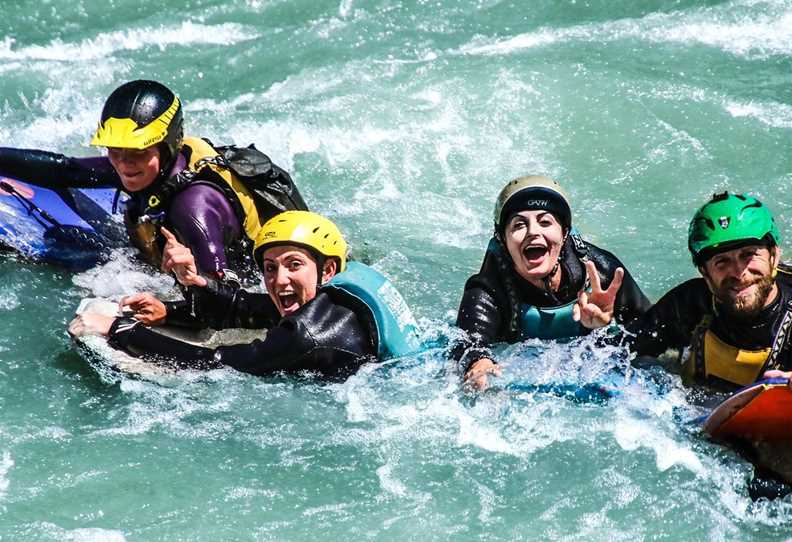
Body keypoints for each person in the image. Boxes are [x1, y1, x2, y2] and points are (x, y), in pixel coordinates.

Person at [0, 79, 307, 283]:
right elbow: (67, 171)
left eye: (136, 152)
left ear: (167, 144)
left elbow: (223, 288)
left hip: (254, 281)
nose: (123, 163)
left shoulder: (192, 207)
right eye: (114, 151)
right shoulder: (146, 166)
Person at [68, 211, 420, 380]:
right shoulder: (336, 294)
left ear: (327, 270)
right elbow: (251, 307)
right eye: (269, 268)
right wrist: (179, 302)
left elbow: (220, 364)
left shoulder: (310, 335)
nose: (279, 280)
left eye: (293, 265)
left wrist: (119, 330)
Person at [627, 192, 792, 399]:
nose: (739, 272)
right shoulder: (689, 303)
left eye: (749, 255)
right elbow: (620, 352)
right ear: (705, 273)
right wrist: (599, 324)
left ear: (774, 257)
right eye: (722, 262)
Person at [453, 175, 652, 389]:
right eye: (519, 225)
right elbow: (465, 345)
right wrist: (478, 362)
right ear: (503, 240)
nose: (533, 232)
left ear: (564, 232)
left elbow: (655, 332)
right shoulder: (488, 291)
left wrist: (606, 328)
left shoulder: (603, 273)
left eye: (545, 222)